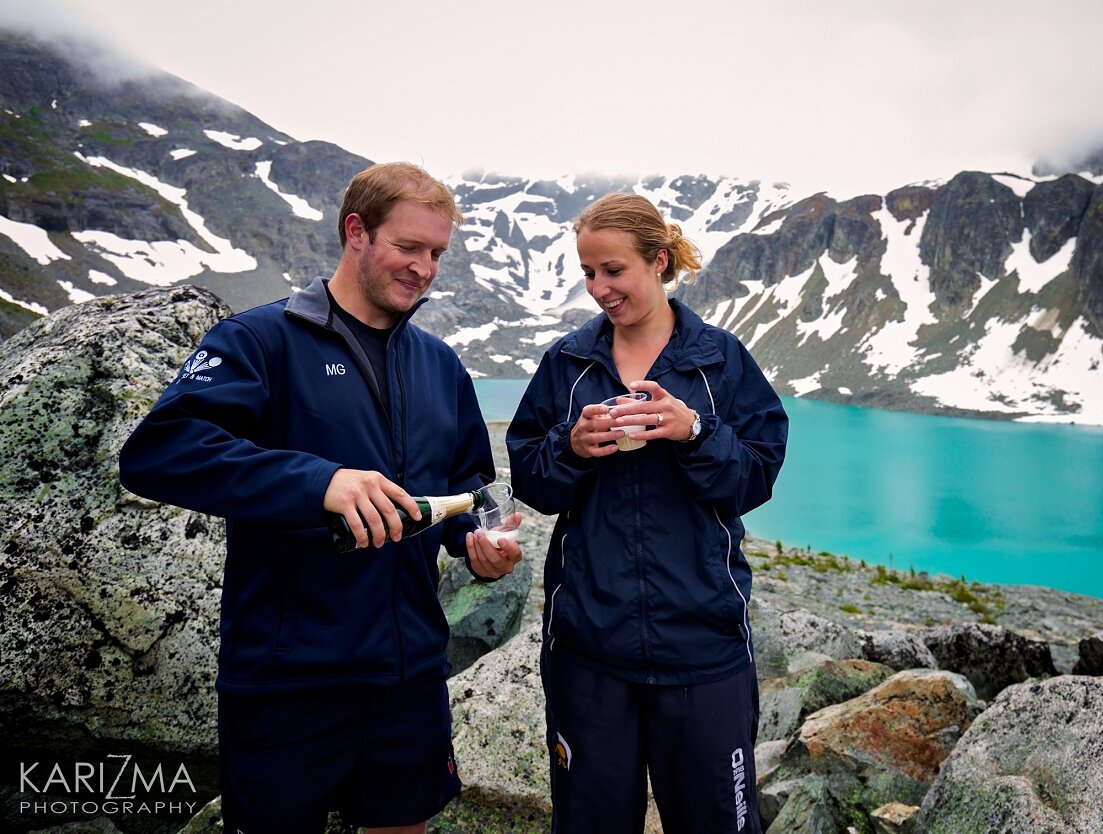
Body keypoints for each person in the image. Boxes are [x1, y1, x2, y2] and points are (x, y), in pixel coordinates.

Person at [119, 161, 523, 834]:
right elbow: (158, 453)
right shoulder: (259, 340)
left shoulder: (440, 365)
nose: (424, 268)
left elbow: (467, 492)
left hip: (410, 676)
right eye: (409, 247)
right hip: (288, 682)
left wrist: (482, 544)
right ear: (356, 232)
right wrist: (318, 482)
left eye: (436, 254)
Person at [506, 193, 788, 833]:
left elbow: (755, 477)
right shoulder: (569, 363)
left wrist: (694, 429)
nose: (598, 287)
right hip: (589, 647)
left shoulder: (718, 360)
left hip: (703, 644)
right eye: (588, 272)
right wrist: (570, 446)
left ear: (659, 261)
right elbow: (532, 479)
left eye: (614, 270)